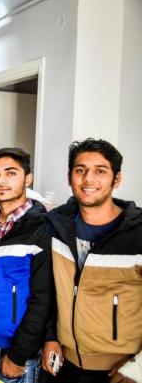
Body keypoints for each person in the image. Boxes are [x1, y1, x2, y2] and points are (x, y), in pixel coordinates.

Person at [42, 139, 142, 383]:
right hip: (66, 364)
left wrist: (139, 367)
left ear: (116, 179)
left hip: (121, 370)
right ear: (69, 177)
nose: (88, 179)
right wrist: (50, 337)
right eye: (80, 170)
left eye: (100, 171)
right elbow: (49, 291)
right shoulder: (56, 225)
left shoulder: (137, 233)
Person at [0, 148, 53, 383]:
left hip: (13, 354)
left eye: (11, 173)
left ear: (28, 178)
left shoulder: (42, 229)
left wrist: (18, 355)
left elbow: (43, 298)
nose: (1, 181)